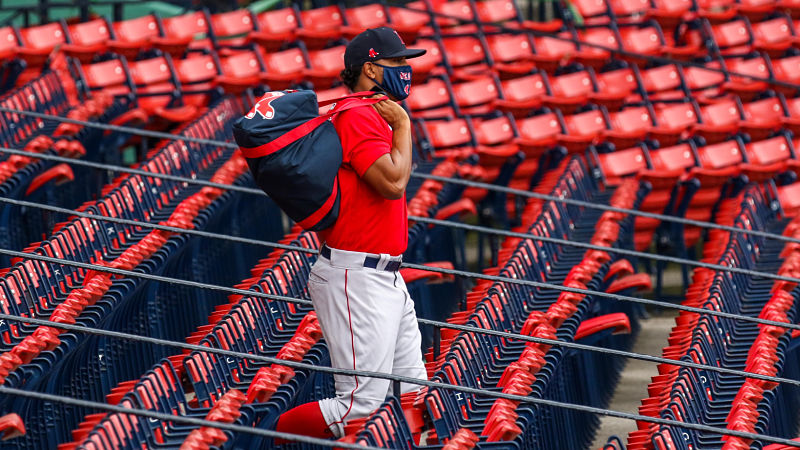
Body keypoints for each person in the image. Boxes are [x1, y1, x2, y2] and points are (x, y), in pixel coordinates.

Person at [273, 27, 429, 441]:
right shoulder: (358, 114)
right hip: (354, 275)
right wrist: (404, 127)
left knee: (412, 395)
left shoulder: (374, 111)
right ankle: (266, 436)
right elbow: (392, 183)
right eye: (397, 63)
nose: (406, 69)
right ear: (371, 69)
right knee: (360, 406)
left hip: (385, 274)